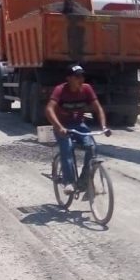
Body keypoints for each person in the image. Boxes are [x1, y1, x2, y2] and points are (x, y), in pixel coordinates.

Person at [45, 65, 110, 194]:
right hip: (62, 126)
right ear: (68, 78)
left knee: (92, 147)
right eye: (77, 76)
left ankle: (84, 181)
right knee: (67, 148)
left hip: (79, 124)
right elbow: (49, 109)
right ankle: (69, 182)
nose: (81, 79)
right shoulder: (60, 90)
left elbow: (98, 109)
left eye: (82, 76)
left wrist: (103, 126)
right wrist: (59, 127)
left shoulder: (87, 89)